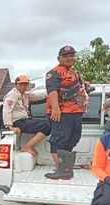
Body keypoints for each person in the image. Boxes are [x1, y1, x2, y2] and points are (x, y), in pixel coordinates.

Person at [45, 45, 89, 180]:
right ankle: (61, 170)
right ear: (59, 58)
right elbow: (52, 90)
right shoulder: (54, 72)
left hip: (76, 111)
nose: (69, 58)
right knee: (59, 140)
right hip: (62, 112)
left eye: (72, 55)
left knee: (73, 138)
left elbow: (78, 86)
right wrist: (56, 108)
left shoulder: (74, 71)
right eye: (65, 56)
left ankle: (66, 168)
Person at [3, 75, 50, 157]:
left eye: (25, 84)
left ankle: (28, 145)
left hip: (23, 121)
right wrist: (11, 127)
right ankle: (27, 146)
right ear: (16, 84)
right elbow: (6, 110)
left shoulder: (24, 95)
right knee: (46, 126)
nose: (23, 86)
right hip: (17, 122)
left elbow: (38, 96)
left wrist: (51, 91)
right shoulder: (12, 95)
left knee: (47, 125)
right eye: (20, 84)